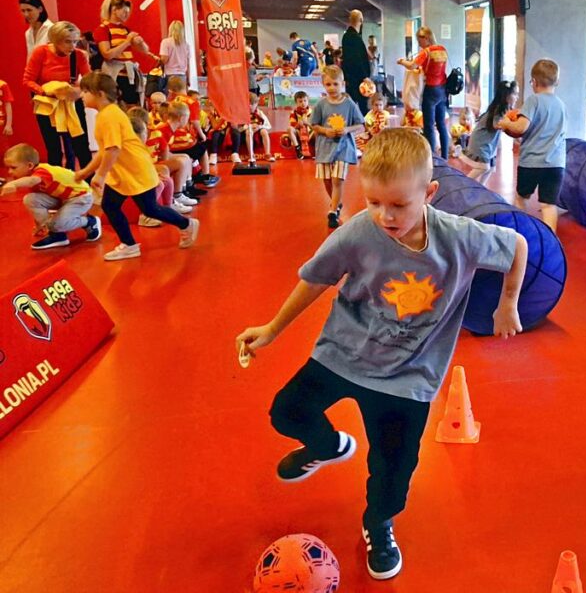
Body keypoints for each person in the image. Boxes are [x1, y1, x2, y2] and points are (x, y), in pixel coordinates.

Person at [235, 127, 528, 581]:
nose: (384, 215)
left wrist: (507, 304)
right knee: (287, 412)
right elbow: (315, 279)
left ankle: (378, 523)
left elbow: (518, 246)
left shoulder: (459, 236)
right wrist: (272, 329)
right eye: (373, 202)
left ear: (429, 193)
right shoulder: (358, 233)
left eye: (398, 204)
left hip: (409, 376)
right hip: (344, 352)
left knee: (393, 468)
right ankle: (328, 445)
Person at [74, 73, 198, 261]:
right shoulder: (106, 114)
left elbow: (113, 149)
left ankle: (186, 224)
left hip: (135, 172)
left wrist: (99, 175)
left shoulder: (109, 116)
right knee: (111, 205)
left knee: (150, 209)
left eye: (85, 91)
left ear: (99, 94)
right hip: (125, 174)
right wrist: (86, 172)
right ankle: (130, 245)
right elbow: (105, 150)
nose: (82, 96)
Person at [497, 60, 567, 233]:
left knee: (521, 198)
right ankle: (551, 239)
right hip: (556, 164)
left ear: (534, 82)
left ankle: (520, 233)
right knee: (548, 205)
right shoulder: (561, 105)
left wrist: (506, 123)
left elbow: (521, 127)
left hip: (532, 162)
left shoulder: (534, 101)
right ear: (556, 82)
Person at [2, 142, 101, 250]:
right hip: (63, 198)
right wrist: (39, 224)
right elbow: (37, 198)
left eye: (13, 167)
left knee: (58, 224)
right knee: (30, 199)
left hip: (80, 197)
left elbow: (32, 180)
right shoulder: (31, 176)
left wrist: (13, 184)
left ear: (30, 165)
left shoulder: (42, 171)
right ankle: (56, 234)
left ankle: (89, 222)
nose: (10, 172)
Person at [23, 21, 92, 169]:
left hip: (71, 103)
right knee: (53, 147)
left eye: (75, 41)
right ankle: (56, 182)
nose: (72, 46)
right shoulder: (41, 52)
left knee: (81, 145)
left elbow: (89, 81)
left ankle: (88, 182)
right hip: (47, 105)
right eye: (67, 42)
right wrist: (45, 91)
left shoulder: (79, 55)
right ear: (55, 40)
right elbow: (27, 80)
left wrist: (78, 91)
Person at [311, 65, 363, 228]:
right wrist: (325, 131)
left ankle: (333, 211)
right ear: (323, 85)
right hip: (325, 148)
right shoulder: (320, 104)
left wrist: (347, 129)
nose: (332, 88)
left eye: (335, 84)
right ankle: (336, 202)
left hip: (343, 147)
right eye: (328, 84)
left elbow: (360, 123)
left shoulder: (349, 104)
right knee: (327, 180)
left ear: (342, 84)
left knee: (337, 179)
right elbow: (314, 125)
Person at [398, 26, 450, 158]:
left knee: (429, 126)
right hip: (443, 90)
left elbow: (412, 66)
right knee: (441, 124)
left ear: (426, 38)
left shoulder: (425, 52)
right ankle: (444, 156)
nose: (419, 43)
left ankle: (431, 158)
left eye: (419, 40)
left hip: (430, 90)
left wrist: (402, 61)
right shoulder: (442, 49)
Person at [126, 109, 183, 227]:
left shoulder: (141, 145)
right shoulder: (129, 147)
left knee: (167, 180)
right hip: (133, 178)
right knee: (159, 183)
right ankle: (145, 215)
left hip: (146, 173)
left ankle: (168, 208)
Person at [459, 80, 518, 183]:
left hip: (488, 142)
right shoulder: (499, 108)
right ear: (506, 96)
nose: (517, 97)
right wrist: (509, 124)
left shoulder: (505, 108)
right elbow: (496, 124)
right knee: (484, 167)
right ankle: (464, 183)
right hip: (481, 141)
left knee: (490, 167)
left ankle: (482, 187)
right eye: (515, 94)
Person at [95, 0, 149, 106]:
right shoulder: (103, 29)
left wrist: (140, 42)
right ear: (114, 10)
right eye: (124, 12)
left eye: (128, 12)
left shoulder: (125, 30)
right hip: (114, 75)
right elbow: (107, 54)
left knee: (133, 106)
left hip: (130, 75)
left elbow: (145, 51)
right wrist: (127, 42)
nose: (127, 15)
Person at [167, 76, 219, 186]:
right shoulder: (191, 102)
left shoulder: (169, 102)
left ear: (170, 90)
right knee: (203, 145)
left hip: (170, 142)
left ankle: (192, 176)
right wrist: (202, 135)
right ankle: (206, 177)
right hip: (185, 141)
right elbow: (195, 122)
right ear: (185, 86)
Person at [342, 10, 374, 115]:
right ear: (361, 20)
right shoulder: (354, 37)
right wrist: (364, 76)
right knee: (362, 105)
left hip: (351, 76)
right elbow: (356, 58)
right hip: (358, 77)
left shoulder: (348, 35)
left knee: (353, 104)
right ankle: (366, 127)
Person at [156, 20, 191, 97]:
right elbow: (187, 63)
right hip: (182, 76)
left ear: (170, 29)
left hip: (170, 76)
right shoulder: (186, 45)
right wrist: (188, 78)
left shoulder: (166, 42)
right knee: (182, 100)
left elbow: (164, 59)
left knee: (171, 101)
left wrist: (158, 62)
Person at [288, 91, 314, 160]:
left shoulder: (312, 112)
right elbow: (292, 125)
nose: (303, 103)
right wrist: (298, 125)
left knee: (319, 131)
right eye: (300, 101)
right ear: (296, 103)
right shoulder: (293, 112)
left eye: (305, 101)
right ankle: (297, 149)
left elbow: (315, 125)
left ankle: (317, 151)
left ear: (308, 100)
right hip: (299, 132)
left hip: (310, 133)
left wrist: (307, 123)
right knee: (289, 129)